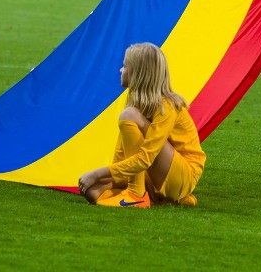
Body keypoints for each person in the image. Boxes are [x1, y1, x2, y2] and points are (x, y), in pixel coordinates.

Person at [77, 43, 206, 207]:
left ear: (139, 73)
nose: (120, 70)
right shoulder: (136, 103)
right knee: (92, 190)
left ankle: (136, 195)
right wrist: (109, 179)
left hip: (183, 175)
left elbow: (146, 158)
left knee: (129, 115)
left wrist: (98, 174)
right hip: (155, 172)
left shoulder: (167, 106)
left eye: (125, 66)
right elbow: (123, 152)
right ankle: (159, 197)